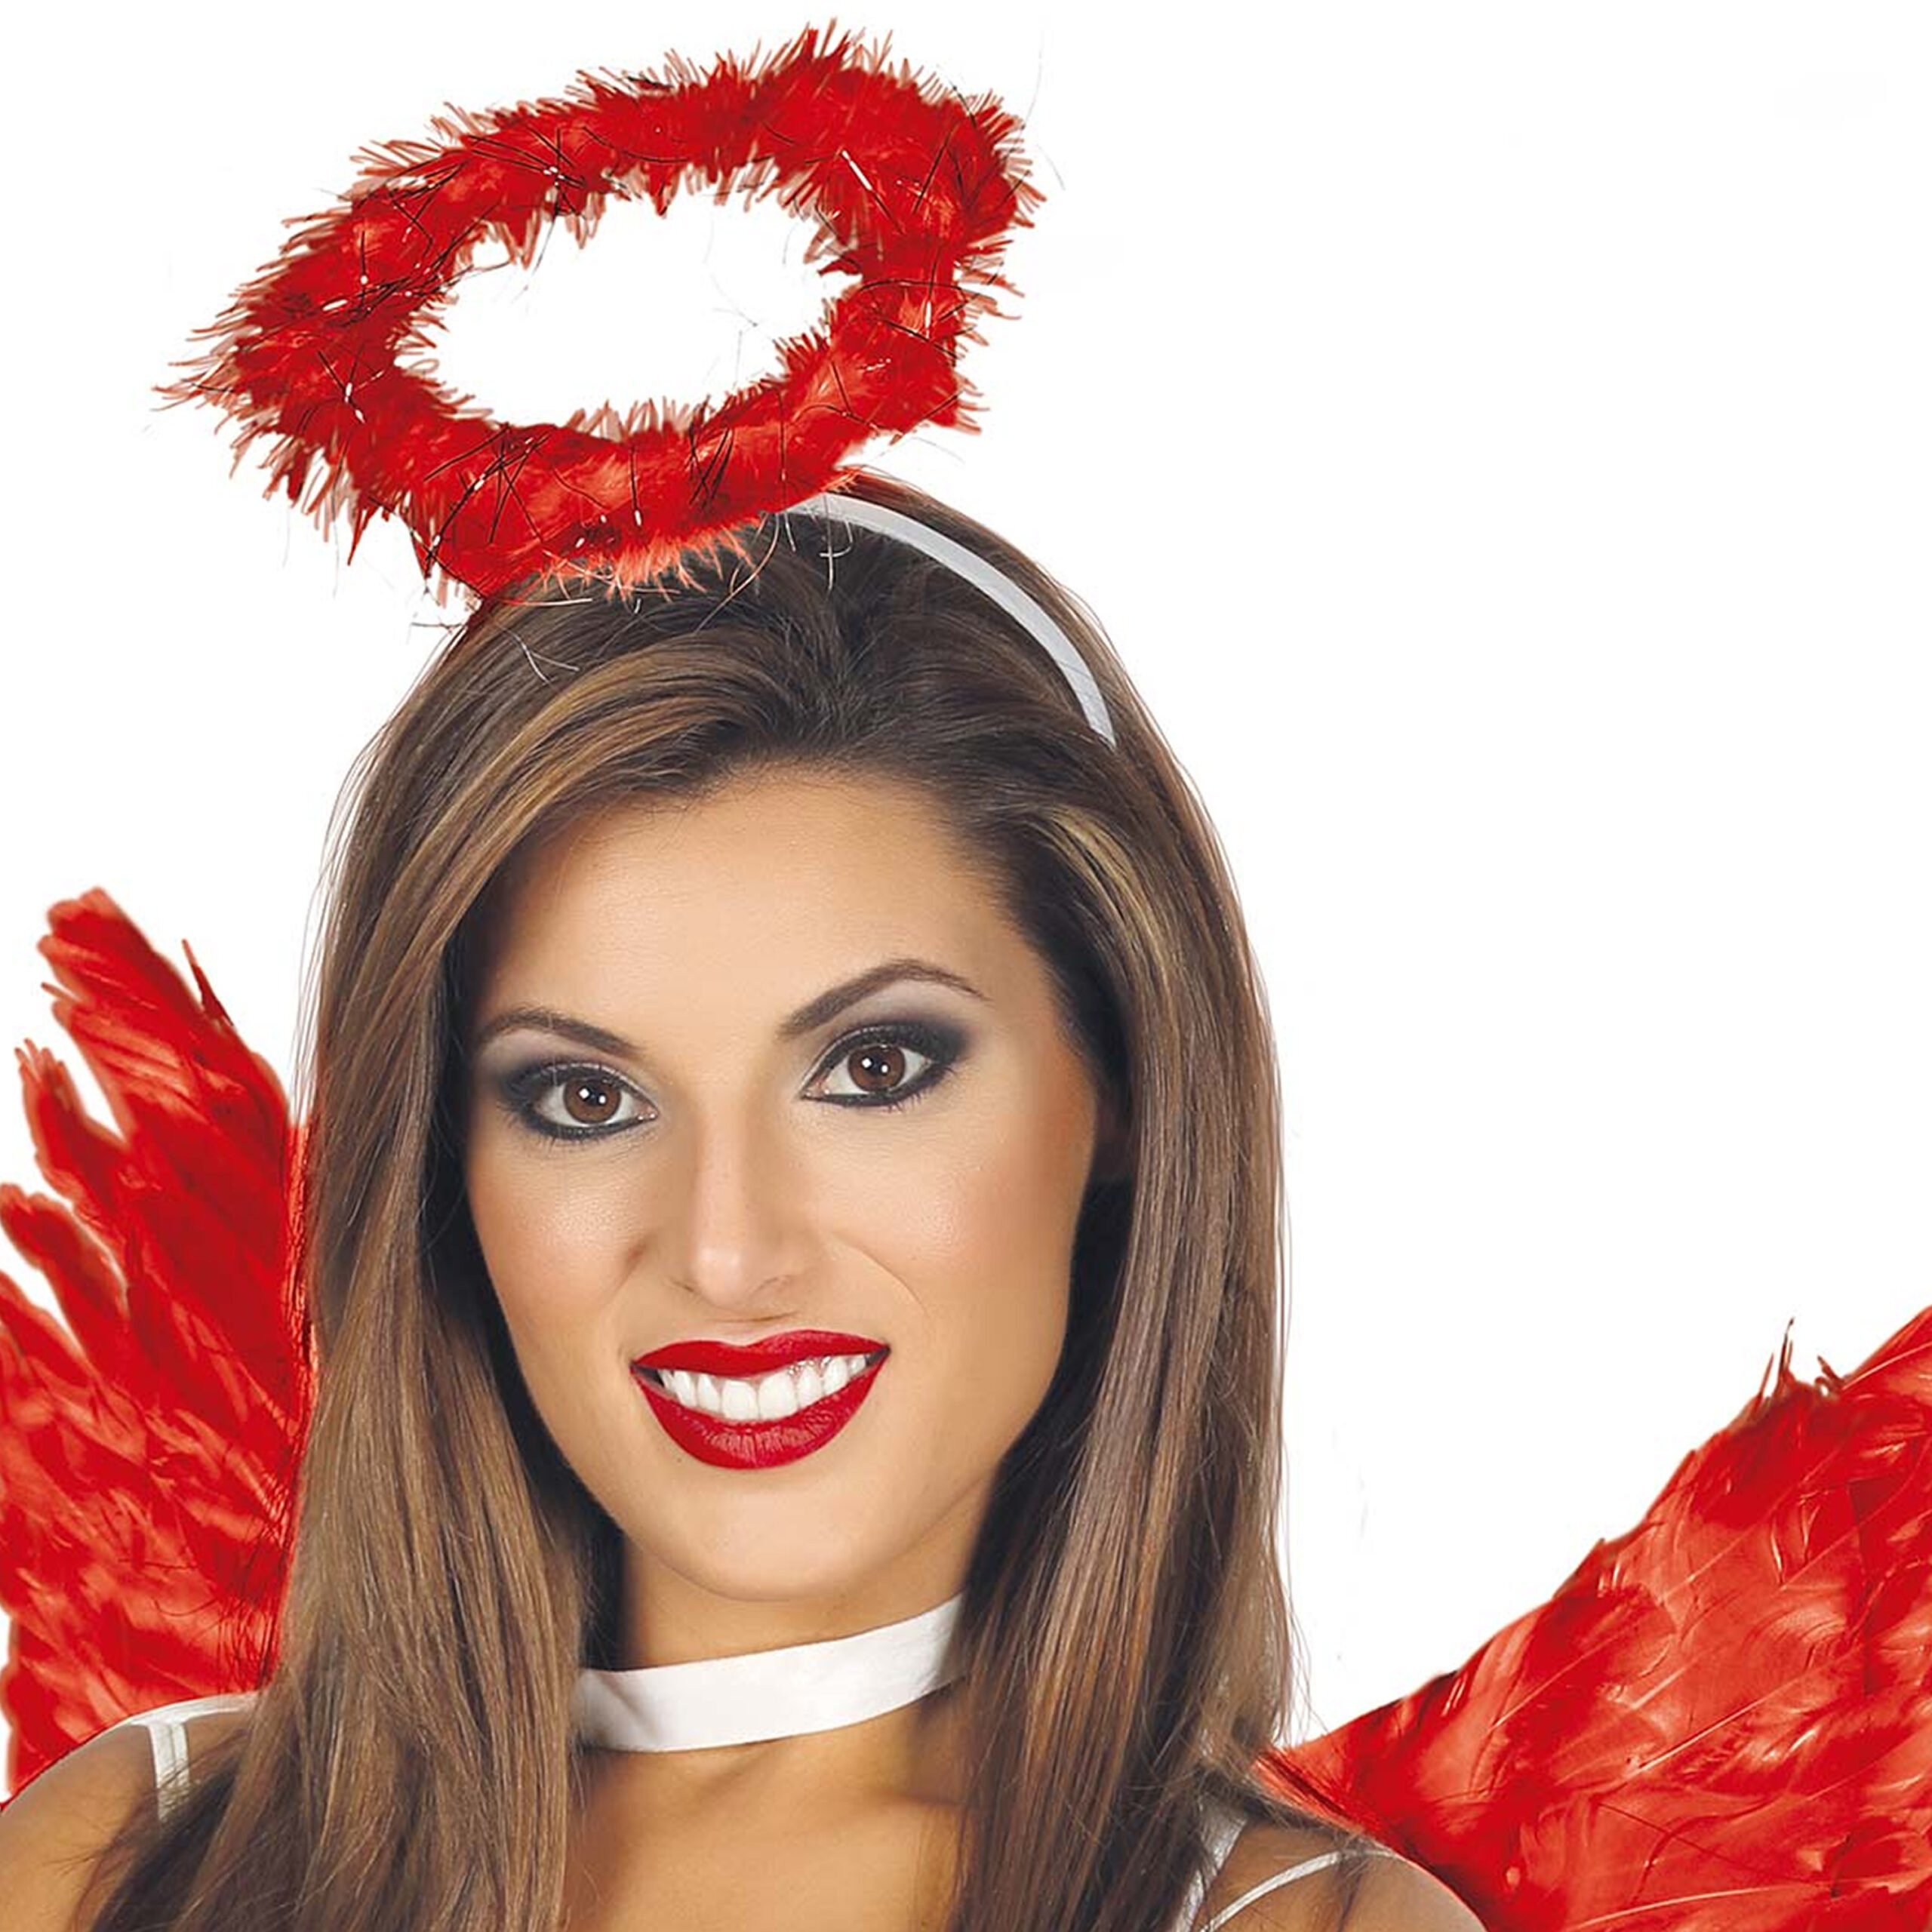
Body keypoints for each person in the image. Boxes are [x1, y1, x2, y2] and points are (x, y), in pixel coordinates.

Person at [0, 476, 1483, 1930]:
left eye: (873, 1067)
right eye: (586, 1098)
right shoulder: (123, 1856)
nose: (725, 1251)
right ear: (444, 1167)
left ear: (1124, 1085)